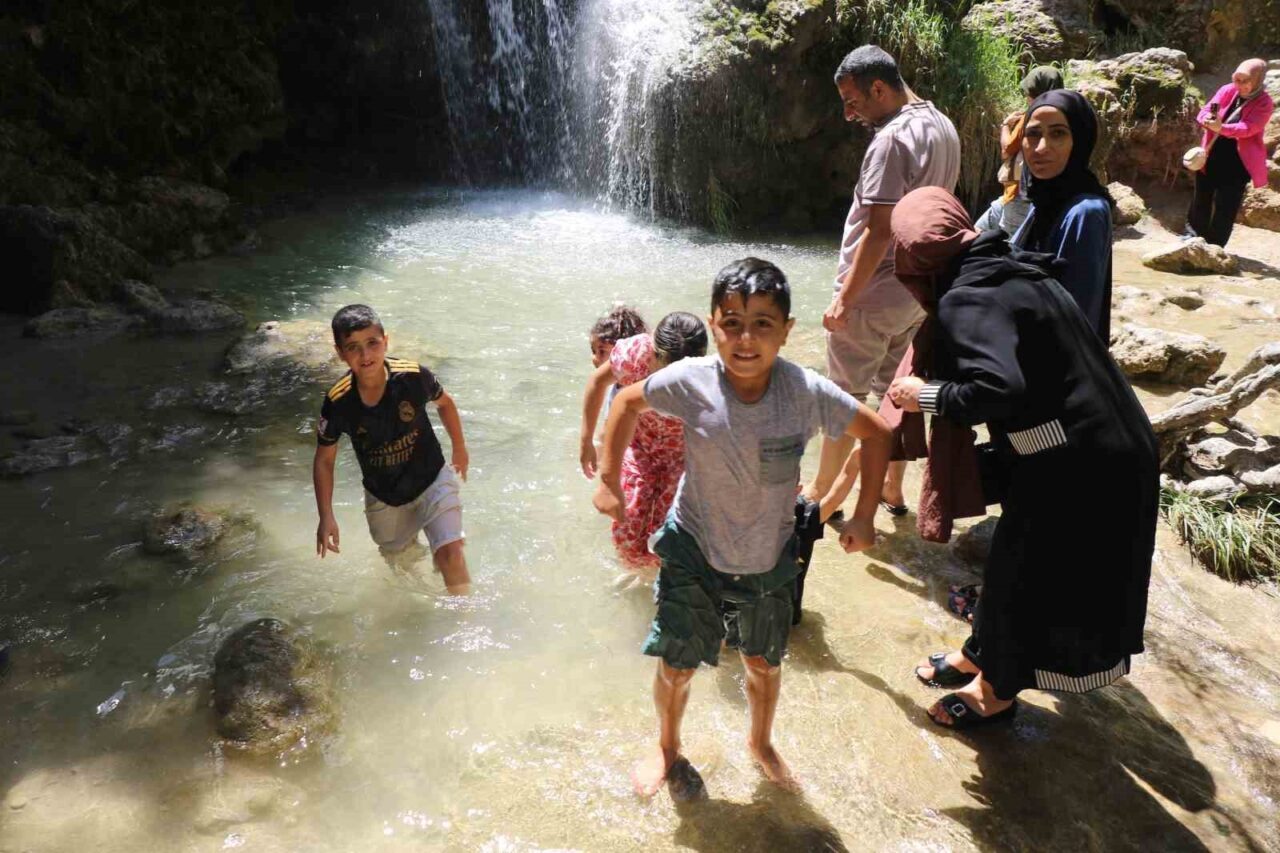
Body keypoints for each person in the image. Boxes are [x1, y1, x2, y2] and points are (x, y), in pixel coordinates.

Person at [593, 258, 891, 794]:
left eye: (762, 324)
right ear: (713, 326)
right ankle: (667, 746)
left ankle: (760, 742)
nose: (746, 338)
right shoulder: (690, 381)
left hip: (767, 557)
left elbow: (876, 432)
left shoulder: (805, 392)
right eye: (732, 323)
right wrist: (609, 479)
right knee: (677, 664)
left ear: (787, 331)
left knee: (762, 662)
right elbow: (626, 404)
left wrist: (866, 513)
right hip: (693, 545)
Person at [884, 187, 1158, 729]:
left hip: (1082, 460)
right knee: (1012, 563)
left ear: (913, 257)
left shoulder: (967, 297)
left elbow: (999, 389)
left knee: (1022, 574)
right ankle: (981, 653)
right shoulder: (1007, 266)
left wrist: (925, 395)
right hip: (1100, 440)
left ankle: (996, 692)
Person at [804, 44, 960, 520]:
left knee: (842, 396)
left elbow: (877, 228)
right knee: (896, 394)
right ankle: (892, 489)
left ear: (878, 88)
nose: (849, 114)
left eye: (853, 101)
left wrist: (844, 299)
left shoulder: (891, 141)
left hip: (874, 292)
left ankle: (818, 498)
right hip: (916, 289)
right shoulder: (943, 125)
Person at [313, 304, 472, 595]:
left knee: (451, 553)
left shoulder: (412, 377)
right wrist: (326, 516)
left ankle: (465, 619)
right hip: (384, 497)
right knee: (404, 565)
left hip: (432, 479)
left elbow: (445, 403)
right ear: (340, 353)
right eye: (353, 348)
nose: (366, 355)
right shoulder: (338, 402)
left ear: (385, 341)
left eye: (372, 343)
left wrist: (459, 449)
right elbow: (324, 460)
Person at [580, 312, 708, 570]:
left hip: (679, 458)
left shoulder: (709, 377)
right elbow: (597, 382)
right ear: (654, 354)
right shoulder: (634, 355)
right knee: (628, 529)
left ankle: (655, 580)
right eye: (670, 372)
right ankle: (632, 575)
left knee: (665, 537)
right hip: (639, 447)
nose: (677, 382)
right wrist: (586, 442)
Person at [1010, 89, 1114, 341]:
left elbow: (1074, 320)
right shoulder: (1045, 201)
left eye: (1058, 134)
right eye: (1033, 134)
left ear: (1079, 141)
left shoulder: (1085, 213)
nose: (1041, 147)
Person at [1185, 58, 1274, 248]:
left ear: (1257, 80)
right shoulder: (1227, 90)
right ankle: (1192, 235)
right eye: (1237, 79)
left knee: (1227, 204)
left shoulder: (1264, 103)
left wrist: (1222, 128)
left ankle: (1216, 245)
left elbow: (1248, 128)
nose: (1239, 85)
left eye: (1245, 81)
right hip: (1212, 155)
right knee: (1201, 196)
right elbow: (1212, 108)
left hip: (1238, 162)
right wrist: (1208, 118)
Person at [973, 66, 1065, 235]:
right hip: (1032, 194)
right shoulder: (1065, 118)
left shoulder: (1032, 118)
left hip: (1020, 195)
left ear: (1037, 93)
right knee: (978, 229)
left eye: (1028, 92)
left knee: (1009, 247)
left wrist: (1006, 125)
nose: (1026, 97)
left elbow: (1006, 150)